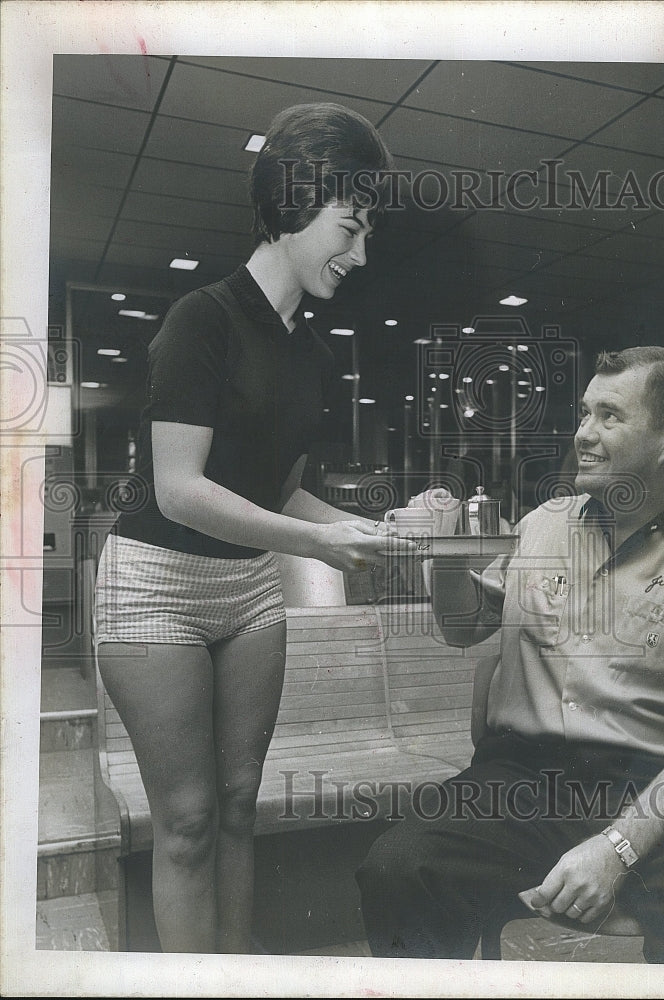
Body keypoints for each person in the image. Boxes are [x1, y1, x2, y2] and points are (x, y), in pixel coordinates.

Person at [93, 102, 412, 954]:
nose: (361, 253)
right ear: (293, 206)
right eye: (350, 227)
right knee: (189, 820)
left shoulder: (311, 355)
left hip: (245, 591)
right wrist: (315, 545)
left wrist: (367, 528)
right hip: (154, 586)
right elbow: (180, 491)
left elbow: (285, 494)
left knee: (240, 805)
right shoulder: (202, 319)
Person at [356, 346, 664, 965]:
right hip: (523, 780)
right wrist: (444, 549)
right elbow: (463, 627)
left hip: (660, 790)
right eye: (584, 412)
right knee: (398, 869)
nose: (583, 433)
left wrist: (616, 849)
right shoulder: (546, 523)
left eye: (609, 416)